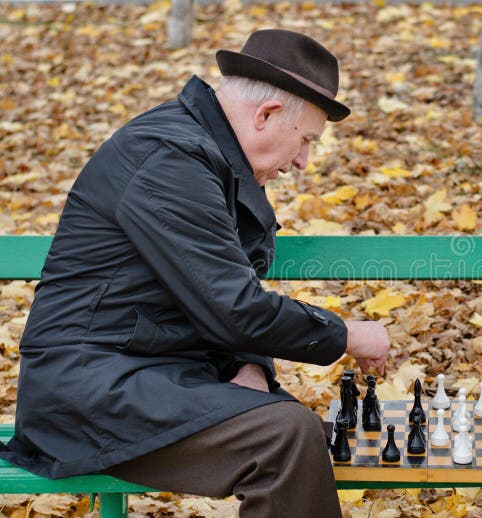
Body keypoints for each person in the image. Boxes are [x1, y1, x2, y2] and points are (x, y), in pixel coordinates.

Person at [0, 29, 390, 517]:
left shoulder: (208, 158)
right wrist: (348, 334)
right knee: (285, 438)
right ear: (267, 115)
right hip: (86, 391)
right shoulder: (168, 158)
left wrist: (250, 366)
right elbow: (233, 308)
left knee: (301, 428)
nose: (304, 162)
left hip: (150, 371)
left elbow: (219, 291)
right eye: (307, 140)